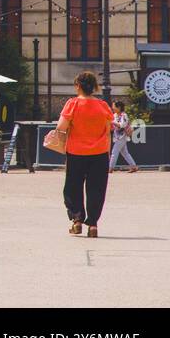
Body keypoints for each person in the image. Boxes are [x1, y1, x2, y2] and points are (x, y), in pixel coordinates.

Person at [56, 71, 114, 238]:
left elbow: (61, 126)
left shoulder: (72, 104)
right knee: (96, 189)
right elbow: (108, 131)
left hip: (76, 152)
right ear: (94, 87)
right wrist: (108, 154)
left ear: (78, 86)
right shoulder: (103, 106)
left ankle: (77, 220)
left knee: (73, 187)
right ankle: (93, 225)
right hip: (100, 153)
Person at [108, 101, 138, 174]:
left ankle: (110, 168)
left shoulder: (124, 115)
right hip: (117, 136)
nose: (113, 108)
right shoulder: (115, 115)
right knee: (125, 153)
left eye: (114, 106)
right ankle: (133, 166)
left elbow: (122, 125)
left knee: (114, 152)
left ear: (119, 107)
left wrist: (112, 122)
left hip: (122, 136)